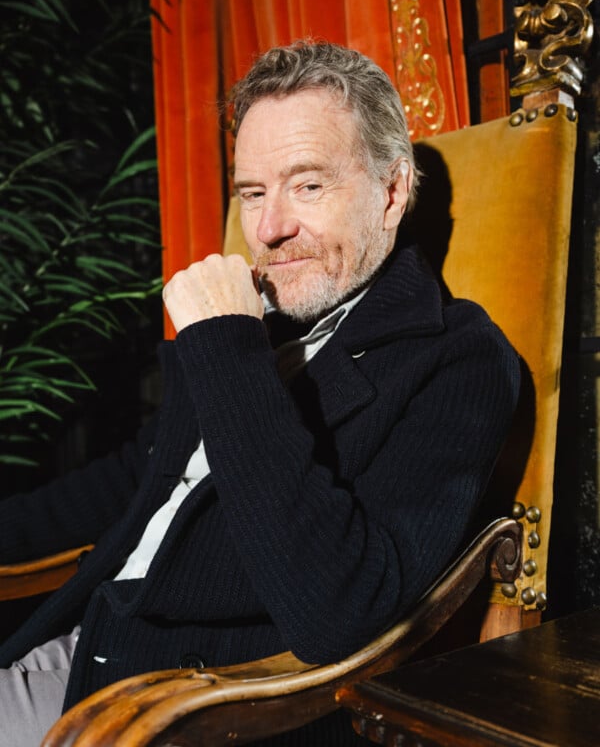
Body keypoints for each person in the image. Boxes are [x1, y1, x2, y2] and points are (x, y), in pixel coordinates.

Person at [0, 41, 520, 746]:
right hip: (82, 640)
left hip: (186, 705)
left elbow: (339, 610)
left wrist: (225, 351)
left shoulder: (458, 358)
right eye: (253, 192)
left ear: (392, 192)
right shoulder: (262, 320)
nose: (270, 229)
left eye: (307, 185)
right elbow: (139, 476)